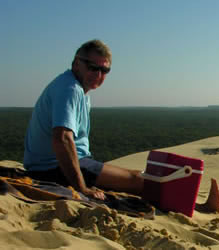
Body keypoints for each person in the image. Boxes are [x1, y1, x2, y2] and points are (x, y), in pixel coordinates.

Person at [23, 39, 143, 200]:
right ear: (76, 64)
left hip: (59, 165)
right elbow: (62, 139)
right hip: (53, 168)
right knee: (139, 181)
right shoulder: (70, 89)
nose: (98, 75)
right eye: (93, 68)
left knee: (137, 175)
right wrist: (81, 188)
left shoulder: (77, 88)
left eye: (104, 70)